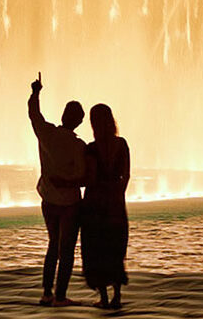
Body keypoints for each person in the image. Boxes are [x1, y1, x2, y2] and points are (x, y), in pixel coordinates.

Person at [28, 72, 86, 308]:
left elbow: (34, 115)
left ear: (63, 116)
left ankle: (46, 293)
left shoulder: (47, 134)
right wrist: (70, 183)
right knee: (67, 250)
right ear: (80, 122)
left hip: (49, 200)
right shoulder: (78, 146)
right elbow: (84, 178)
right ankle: (60, 296)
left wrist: (35, 92)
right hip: (70, 203)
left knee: (53, 245)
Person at [80, 103, 130, 309]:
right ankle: (117, 295)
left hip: (95, 205)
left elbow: (90, 178)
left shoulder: (92, 148)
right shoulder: (122, 144)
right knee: (115, 248)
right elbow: (126, 174)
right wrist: (118, 194)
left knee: (96, 248)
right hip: (116, 204)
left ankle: (103, 297)